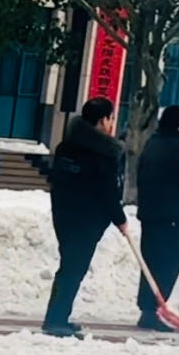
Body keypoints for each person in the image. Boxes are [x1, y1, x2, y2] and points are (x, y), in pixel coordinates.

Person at [42, 97, 128, 338]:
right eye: (111, 118)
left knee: (69, 267)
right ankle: (55, 320)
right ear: (102, 120)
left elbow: (56, 182)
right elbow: (108, 191)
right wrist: (120, 219)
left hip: (64, 216)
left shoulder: (66, 147)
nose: (112, 123)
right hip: (86, 220)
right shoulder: (104, 153)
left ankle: (57, 317)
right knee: (73, 269)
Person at [135, 104, 179, 329]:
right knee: (168, 262)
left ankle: (147, 308)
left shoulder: (152, 144)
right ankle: (154, 308)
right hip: (171, 215)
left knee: (151, 261)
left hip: (149, 215)